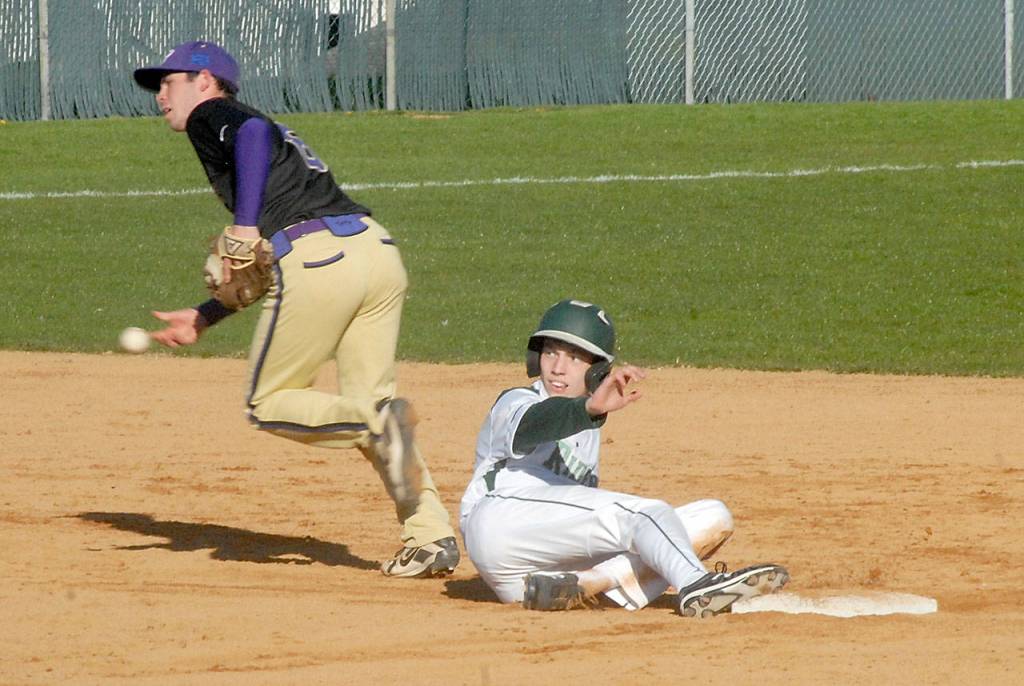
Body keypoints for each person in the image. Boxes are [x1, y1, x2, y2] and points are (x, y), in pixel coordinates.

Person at [132, 40, 459, 578]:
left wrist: (241, 224)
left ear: (206, 81)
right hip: (375, 253)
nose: (160, 94)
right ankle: (429, 535)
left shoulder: (213, 114)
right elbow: (261, 265)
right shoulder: (263, 150)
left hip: (319, 260)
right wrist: (204, 315)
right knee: (370, 406)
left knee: (269, 403)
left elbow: (254, 136)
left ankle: (375, 424)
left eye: (169, 81)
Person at [459, 299, 788, 616]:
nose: (557, 368)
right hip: (499, 523)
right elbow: (537, 423)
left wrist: (588, 412)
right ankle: (695, 583)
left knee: (712, 516)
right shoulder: (517, 402)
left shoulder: (588, 429)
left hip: (535, 574)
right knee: (647, 514)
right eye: (551, 353)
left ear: (597, 371)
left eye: (574, 358)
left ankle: (584, 585)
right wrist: (587, 409)